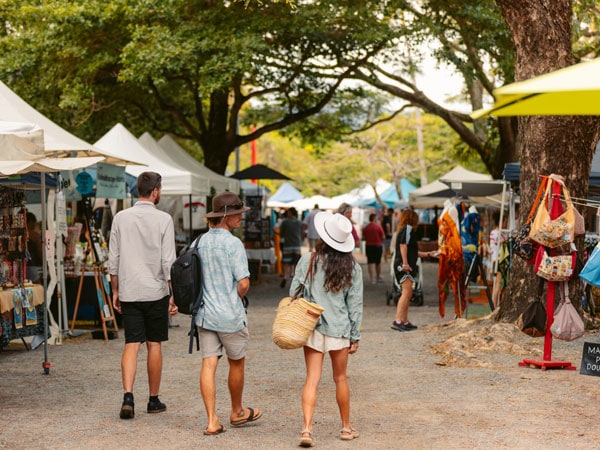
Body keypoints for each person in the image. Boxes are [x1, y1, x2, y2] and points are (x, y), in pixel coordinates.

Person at [289, 211, 363, 447]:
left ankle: (307, 430)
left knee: (312, 379)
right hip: (340, 328)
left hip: (312, 326)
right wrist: (355, 335)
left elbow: (293, 292)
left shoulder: (308, 260)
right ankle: (345, 427)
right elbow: (355, 305)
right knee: (340, 378)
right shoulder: (352, 267)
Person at [109, 171, 178, 420]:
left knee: (131, 343)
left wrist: (115, 290)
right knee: (154, 343)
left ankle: (128, 396)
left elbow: (113, 259)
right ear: (156, 191)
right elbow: (168, 260)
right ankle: (153, 398)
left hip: (129, 289)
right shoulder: (164, 220)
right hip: (155, 290)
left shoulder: (120, 218)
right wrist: (173, 294)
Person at [193, 191, 262, 436]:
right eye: (237, 214)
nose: (241, 218)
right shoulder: (233, 243)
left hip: (204, 314)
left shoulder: (198, 242)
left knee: (208, 364)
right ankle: (236, 411)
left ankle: (212, 420)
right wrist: (235, 298)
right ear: (225, 216)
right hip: (229, 314)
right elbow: (243, 283)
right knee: (236, 362)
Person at [391, 209, 435, 332]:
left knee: (408, 293)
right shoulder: (408, 229)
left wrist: (428, 254)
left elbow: (412, 251)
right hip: (404, 265)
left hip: (406, 264)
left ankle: (404, 320)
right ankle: (398, 320)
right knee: (406, 293)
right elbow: (403, 246)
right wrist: (405, 263)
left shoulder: (405, 230)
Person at [279, 207, 303, 289]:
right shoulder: (299, 222)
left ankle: (285, 276)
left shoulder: (285, 222)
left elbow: (281, 233)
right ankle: (295, 277)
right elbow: (302, 233)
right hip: (297, 244)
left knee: (286, 262)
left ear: (290, 213)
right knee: (296, 262)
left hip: (287, 244)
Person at [361, 213, 385, 284]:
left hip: (369, 246)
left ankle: (372, 279)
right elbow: (383, 237)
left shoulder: (366, 227)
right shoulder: (378, 226)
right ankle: (378, 277)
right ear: (374, 218)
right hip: (378, 246)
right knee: (378, 262)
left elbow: (363, 238)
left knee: (370, 262)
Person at [26, 212, 43, 283]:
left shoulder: (16, 233)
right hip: (31, 266)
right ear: (30, 222)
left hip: (20, 267)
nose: (34, 225)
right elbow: (40, 252)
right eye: (34, 223)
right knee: (38, 289)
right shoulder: (35, 235)